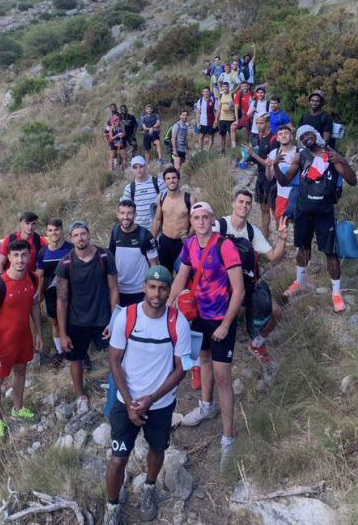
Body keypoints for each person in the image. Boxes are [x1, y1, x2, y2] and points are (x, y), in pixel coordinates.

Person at [104, 266, 191, 525]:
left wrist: (150, 399)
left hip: (160, 403)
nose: (157, 293)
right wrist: (131, 402)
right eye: (152, 287)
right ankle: (112, 507)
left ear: (168, 291)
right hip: (125, 402)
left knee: (156, 448)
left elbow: (181, 368)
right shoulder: (126, 317)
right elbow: (114, 361)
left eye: (163, 288)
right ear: (144, 288)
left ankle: (149, 488)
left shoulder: (178, 323)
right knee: (118, 459)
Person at [167, 202, 245, 466]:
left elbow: (239, 290)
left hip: (222, 318)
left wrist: (225, 325)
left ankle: (228, 438)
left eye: (205, 217)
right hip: (199, 315)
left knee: (224, 377)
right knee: (204, 360)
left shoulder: (225, 246)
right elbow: (182, 277)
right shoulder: (189, 245)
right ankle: (206, 406)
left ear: (213, 220)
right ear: (192, 221)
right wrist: (168, 306)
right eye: (196, 217)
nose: (200, 222)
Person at [273, 125, 357, 312]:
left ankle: (336, 292)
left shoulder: (331, 154)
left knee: (330, 252)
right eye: (301, 138)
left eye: (307, 135)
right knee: (302, 247)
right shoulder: (300, 156)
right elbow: (285, 181)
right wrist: (275, 166)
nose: (305, 139)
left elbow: (352, 181)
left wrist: (342, 160)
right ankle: (300, 282)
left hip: (324, 211)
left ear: (316, 134)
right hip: (303, 210)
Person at [214, 190, 288, 364]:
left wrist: (282, 239)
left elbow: (273, 256)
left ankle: (257, 343)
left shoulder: (252, 232)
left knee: (276, 312)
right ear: (233, 204)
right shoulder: (219, 226)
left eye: (248, 203)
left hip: (246, 283)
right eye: (240, 202)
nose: (244, 206)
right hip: (221, 283)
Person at [56, 222, 119, 414]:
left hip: (103, 319)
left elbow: (114, 288)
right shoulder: (65, 263)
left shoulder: (104, 256)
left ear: (89, 235)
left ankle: (118, 392)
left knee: (116, 357)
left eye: (83, 234)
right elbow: (61, 298)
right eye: (76, 235)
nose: (80, 238)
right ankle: (80, 396)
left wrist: (115, 320)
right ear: (71, 238)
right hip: (77, 321)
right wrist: (63, 332)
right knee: (76, 360)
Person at [0, 239, 43, 438]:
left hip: (23, 338)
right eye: (15, 255)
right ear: (8, 257)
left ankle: (17, 409)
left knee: (21, 372)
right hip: (2, 344)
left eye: (24, 255)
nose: (20, 259)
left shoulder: (33, 279)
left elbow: (34, 305)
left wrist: (38, 333)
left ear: (29, 256)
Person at [36, 218, 73, 367]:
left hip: (71, 292)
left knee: (73, 321)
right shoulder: (42, 253)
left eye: (56, 229)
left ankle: (77, 352)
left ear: (62, 230)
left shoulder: (71, 248)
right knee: (55, 322)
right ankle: (60, 352)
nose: (54, 233)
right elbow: (40, 275)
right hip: (51, 294)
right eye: (50, 230)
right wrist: (39, 294)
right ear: (46, 232)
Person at [109, 199, 159, 307]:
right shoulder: (115, 231)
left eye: (129, 213)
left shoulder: (145, 235)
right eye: (122, 213)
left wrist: (152, 290)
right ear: (118, 214)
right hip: (120, 291)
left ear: (135, 215)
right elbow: (111, 258)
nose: (125, 217)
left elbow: (154, 264)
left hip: (140, 292)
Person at [152, 167, 196, 274]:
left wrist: (189, 236)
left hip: (182, 243)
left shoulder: (190, 199)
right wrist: (152, 239)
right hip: (165, 241)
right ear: (165, 181)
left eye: (174, 178)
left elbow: (195, 222)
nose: (171, 180)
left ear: (178, 179)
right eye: (168, 178)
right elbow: (157, 219)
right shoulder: (162, 198)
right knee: (165, 274)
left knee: (183, 275)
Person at [242, 114, 278, 238]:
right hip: (260, 177)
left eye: (261, 123)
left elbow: (270, 164)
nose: (258, 126)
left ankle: (280, 239)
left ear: (267, 123)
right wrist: (249, 157)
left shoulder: (274, 140)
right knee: (263, 208)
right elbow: (259, 159)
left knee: (274, 210)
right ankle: (265, 236)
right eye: (256, 123)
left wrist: (253, 154)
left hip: (271, 179)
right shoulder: (258, 138)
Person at [122, 156, 166, 232]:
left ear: (145, 166)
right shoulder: (129, 188)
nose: (138, 170)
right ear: (132, 169)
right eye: (135, 167)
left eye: (141, 166)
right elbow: (125, 210)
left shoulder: (158, 183)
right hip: (139, 230)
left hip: (159, 228)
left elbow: (169, 203)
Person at [265, 125, 299, 221]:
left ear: (291, 136)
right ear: (277, 138)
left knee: (299, 226)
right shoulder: (274, 153)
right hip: (281, 195)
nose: (283, 136)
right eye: (280, 134)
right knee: (280, 225)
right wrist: (268, 167)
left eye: (286, 133)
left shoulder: (299, 152)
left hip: (298, 196)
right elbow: (269, 178)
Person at [230, 81, 255, 150]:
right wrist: (237, 120)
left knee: (251, 132)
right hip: (244, 117)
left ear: (248, 86)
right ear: (240, 87)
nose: (244, 87)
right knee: (232, 127)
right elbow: (236, 107)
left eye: (245, 86)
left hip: (252, 117)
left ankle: (251, 147)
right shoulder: (239, 94)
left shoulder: (253, 94)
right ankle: (234, 147)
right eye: (242, 86)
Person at [214, 82, 235, 154]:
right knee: (223, 136)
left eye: (226, 86)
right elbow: (219, 108)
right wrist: (216, 119)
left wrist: (230, 109)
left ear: (229, 87)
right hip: (222, 119)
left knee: (232, 137)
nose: (225, 88)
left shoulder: (233, 95)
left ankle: (233, 152)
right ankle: (223, 151)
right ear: (222, 88)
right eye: (223, 87)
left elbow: (236, 107)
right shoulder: (221, 95)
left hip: (231, 119)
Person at [196, 87, 217, 151]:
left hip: (211, 121)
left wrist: (216, 122)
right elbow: (198, 112)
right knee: (201, 137)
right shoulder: (200, 101)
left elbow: (216, 111)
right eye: (204, 92)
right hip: (202, 122)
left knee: (211, 136)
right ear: (202, 93)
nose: (206, 93)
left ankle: (209, 151)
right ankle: (201, 151)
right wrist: (198, 122)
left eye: (207, 91)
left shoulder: (213, 100)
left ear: (209, 92)